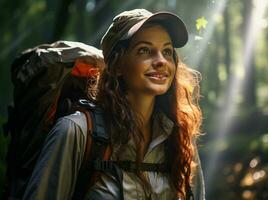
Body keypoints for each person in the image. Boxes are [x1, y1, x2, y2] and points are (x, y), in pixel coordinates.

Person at [23, 8, 205, 200]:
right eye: (144, 50)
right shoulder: (76, 132)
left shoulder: (180, 138)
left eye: (167, 52)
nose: (161, 61)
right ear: (117, 65)